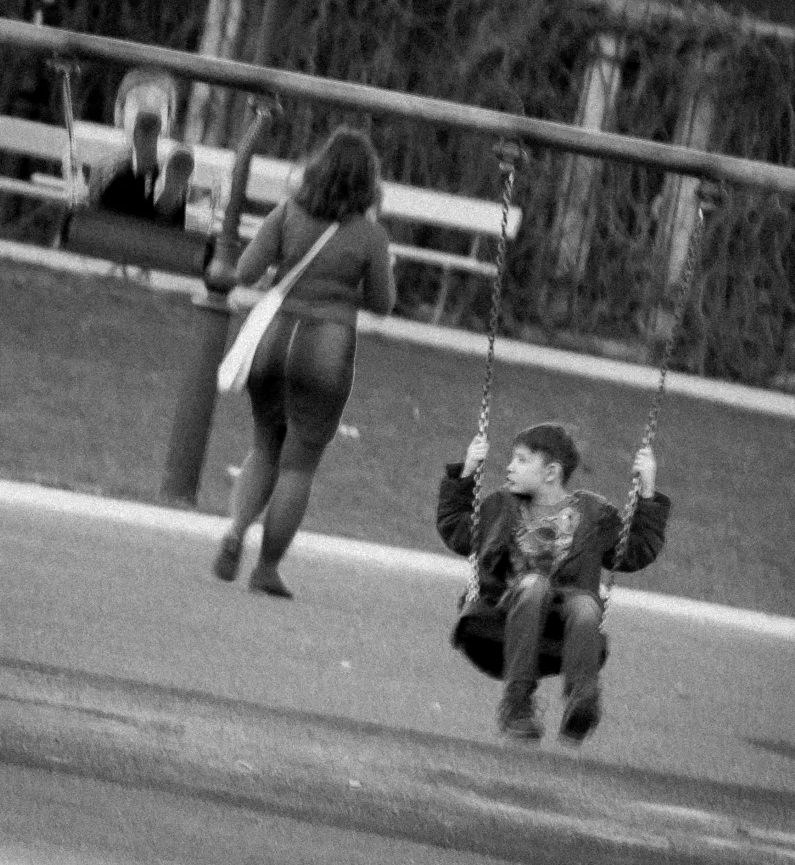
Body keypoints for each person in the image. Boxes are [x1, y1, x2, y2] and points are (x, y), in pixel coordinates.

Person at [212, 127, 397, 599]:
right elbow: (382, 303)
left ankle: (235, 529)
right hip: (327, 347)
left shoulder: (286, 213)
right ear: (368, 185)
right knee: (298, 466)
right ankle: (267, 569)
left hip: (273, 340)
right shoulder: (370, 235)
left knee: (264, 448)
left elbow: (247, 271)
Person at [436, 424, 670, 744]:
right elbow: (457, 531)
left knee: (587, 604)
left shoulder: (592, 513)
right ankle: (518, 703)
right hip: (505, 610)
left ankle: (582, 702)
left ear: (550, 472)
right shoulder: (502, 506)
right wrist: (467, 472)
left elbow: (635, 551)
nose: (509, 467)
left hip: (561, 623)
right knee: (534, 585)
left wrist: (647, 489)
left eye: (521, 460)